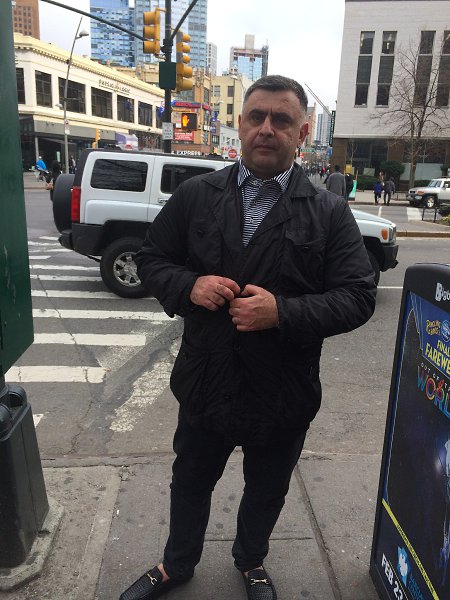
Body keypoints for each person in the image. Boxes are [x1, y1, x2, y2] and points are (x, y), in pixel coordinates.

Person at [120, 75, 376, 600]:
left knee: (267, 489)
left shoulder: (328, 211)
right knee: (190, 482)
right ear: (240, 124)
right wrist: (190, 285)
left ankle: (251, 561)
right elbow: (151, 260)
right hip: (206, 380)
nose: (266, 129)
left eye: (281, 120)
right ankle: (177, 564)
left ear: (301, 133)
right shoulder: (196, 196)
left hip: (283, 389)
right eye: (257, 117)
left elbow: (357, 295)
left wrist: (282, 312)